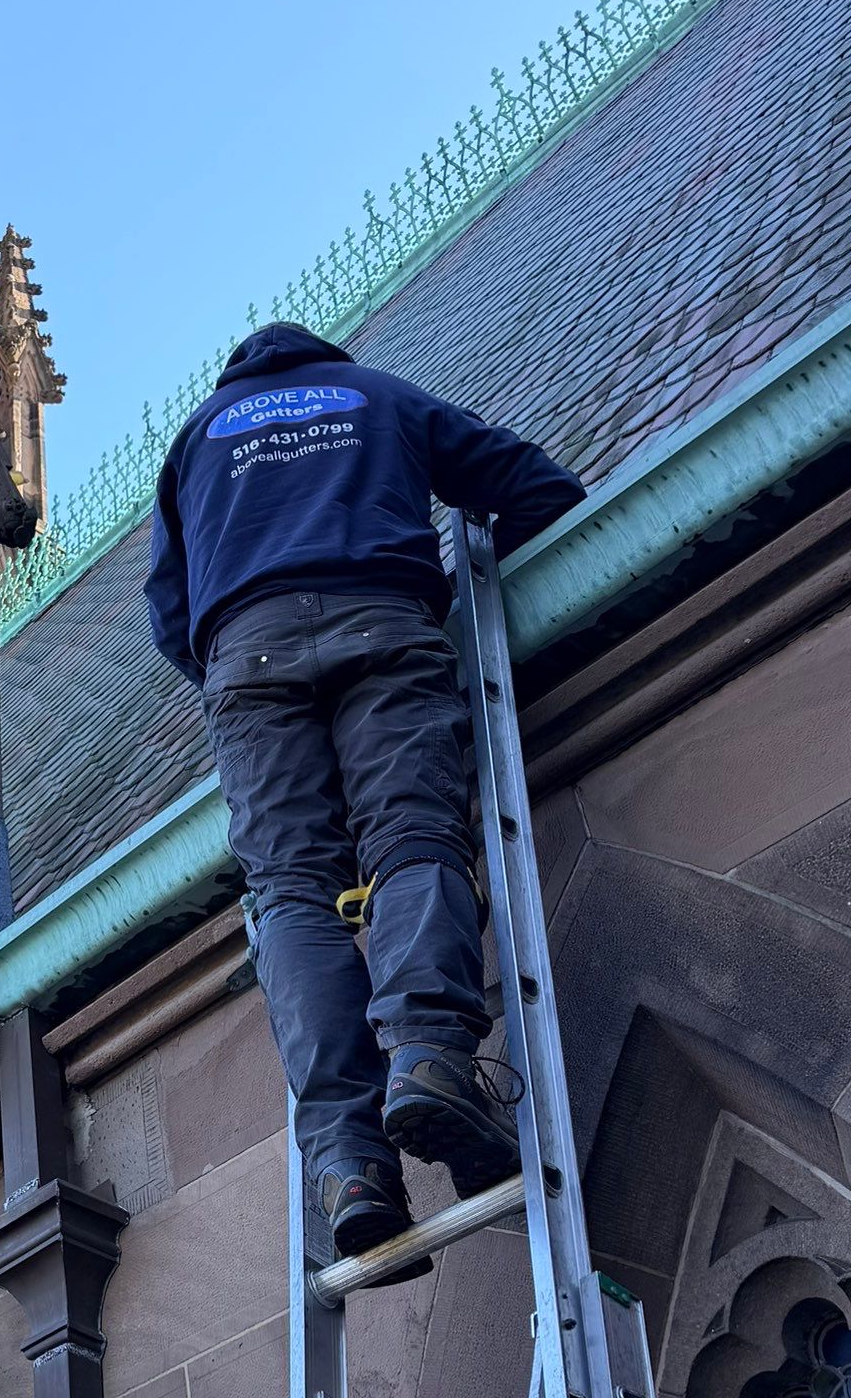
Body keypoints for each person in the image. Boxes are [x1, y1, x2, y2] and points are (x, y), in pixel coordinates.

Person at [146, 323, 586, 1271]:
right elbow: (540, 486)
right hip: (384, 621)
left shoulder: (197, 438)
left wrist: (239, 667)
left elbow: (170, 612)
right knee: (411, 834)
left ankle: (350, 1165)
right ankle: (429, 1052)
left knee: (292, 892)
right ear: (325, 361)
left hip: (247, 660)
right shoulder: (377, 396)